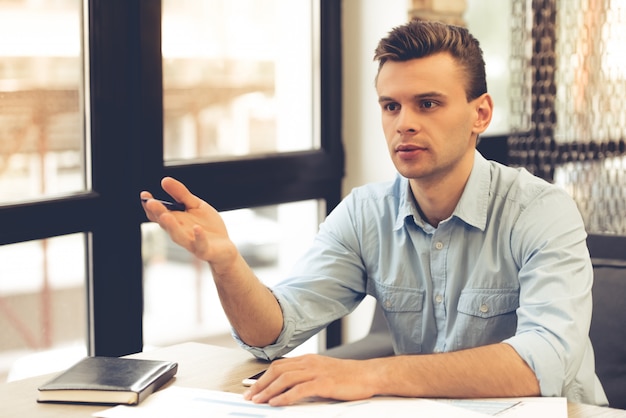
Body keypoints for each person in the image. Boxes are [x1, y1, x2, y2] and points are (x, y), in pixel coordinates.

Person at [141, 19, 608, 407]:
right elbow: (272, 334)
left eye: (428, 103)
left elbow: (541, 362)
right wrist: (227, 263)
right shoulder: (365, 213)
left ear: (480, 114)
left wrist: (368, 375)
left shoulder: (543, 211)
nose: (404, 122)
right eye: (391, 105)